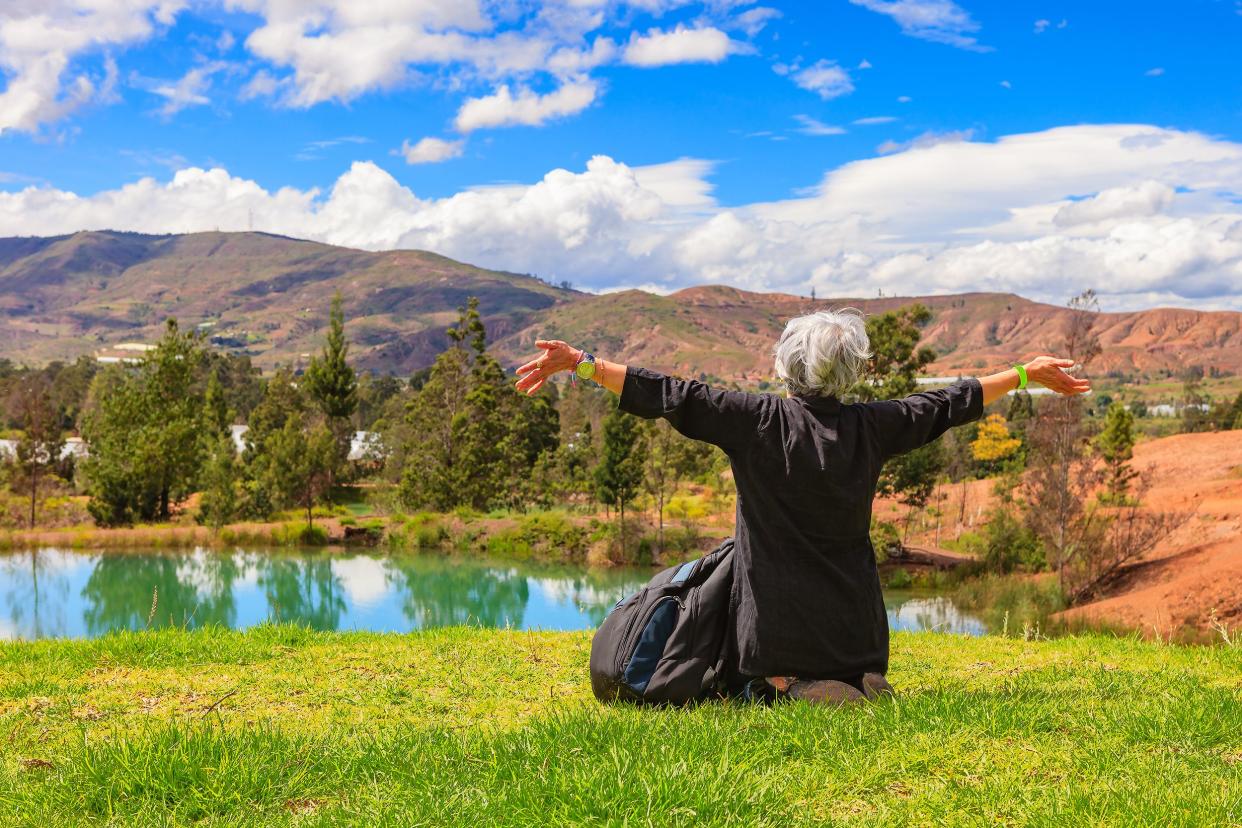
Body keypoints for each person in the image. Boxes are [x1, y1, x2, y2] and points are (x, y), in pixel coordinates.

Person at [514, 308, 1090, 704]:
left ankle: (791, 686)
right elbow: (944, 403)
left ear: (786, 366)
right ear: (849, 371)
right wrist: (1021, 374)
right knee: (850, 667)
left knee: (771, 672)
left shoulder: (755, 421)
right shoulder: (874, 426)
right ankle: (854, 681)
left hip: (774, 632)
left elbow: (670, 394)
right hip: (855, 631)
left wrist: (582, 364)